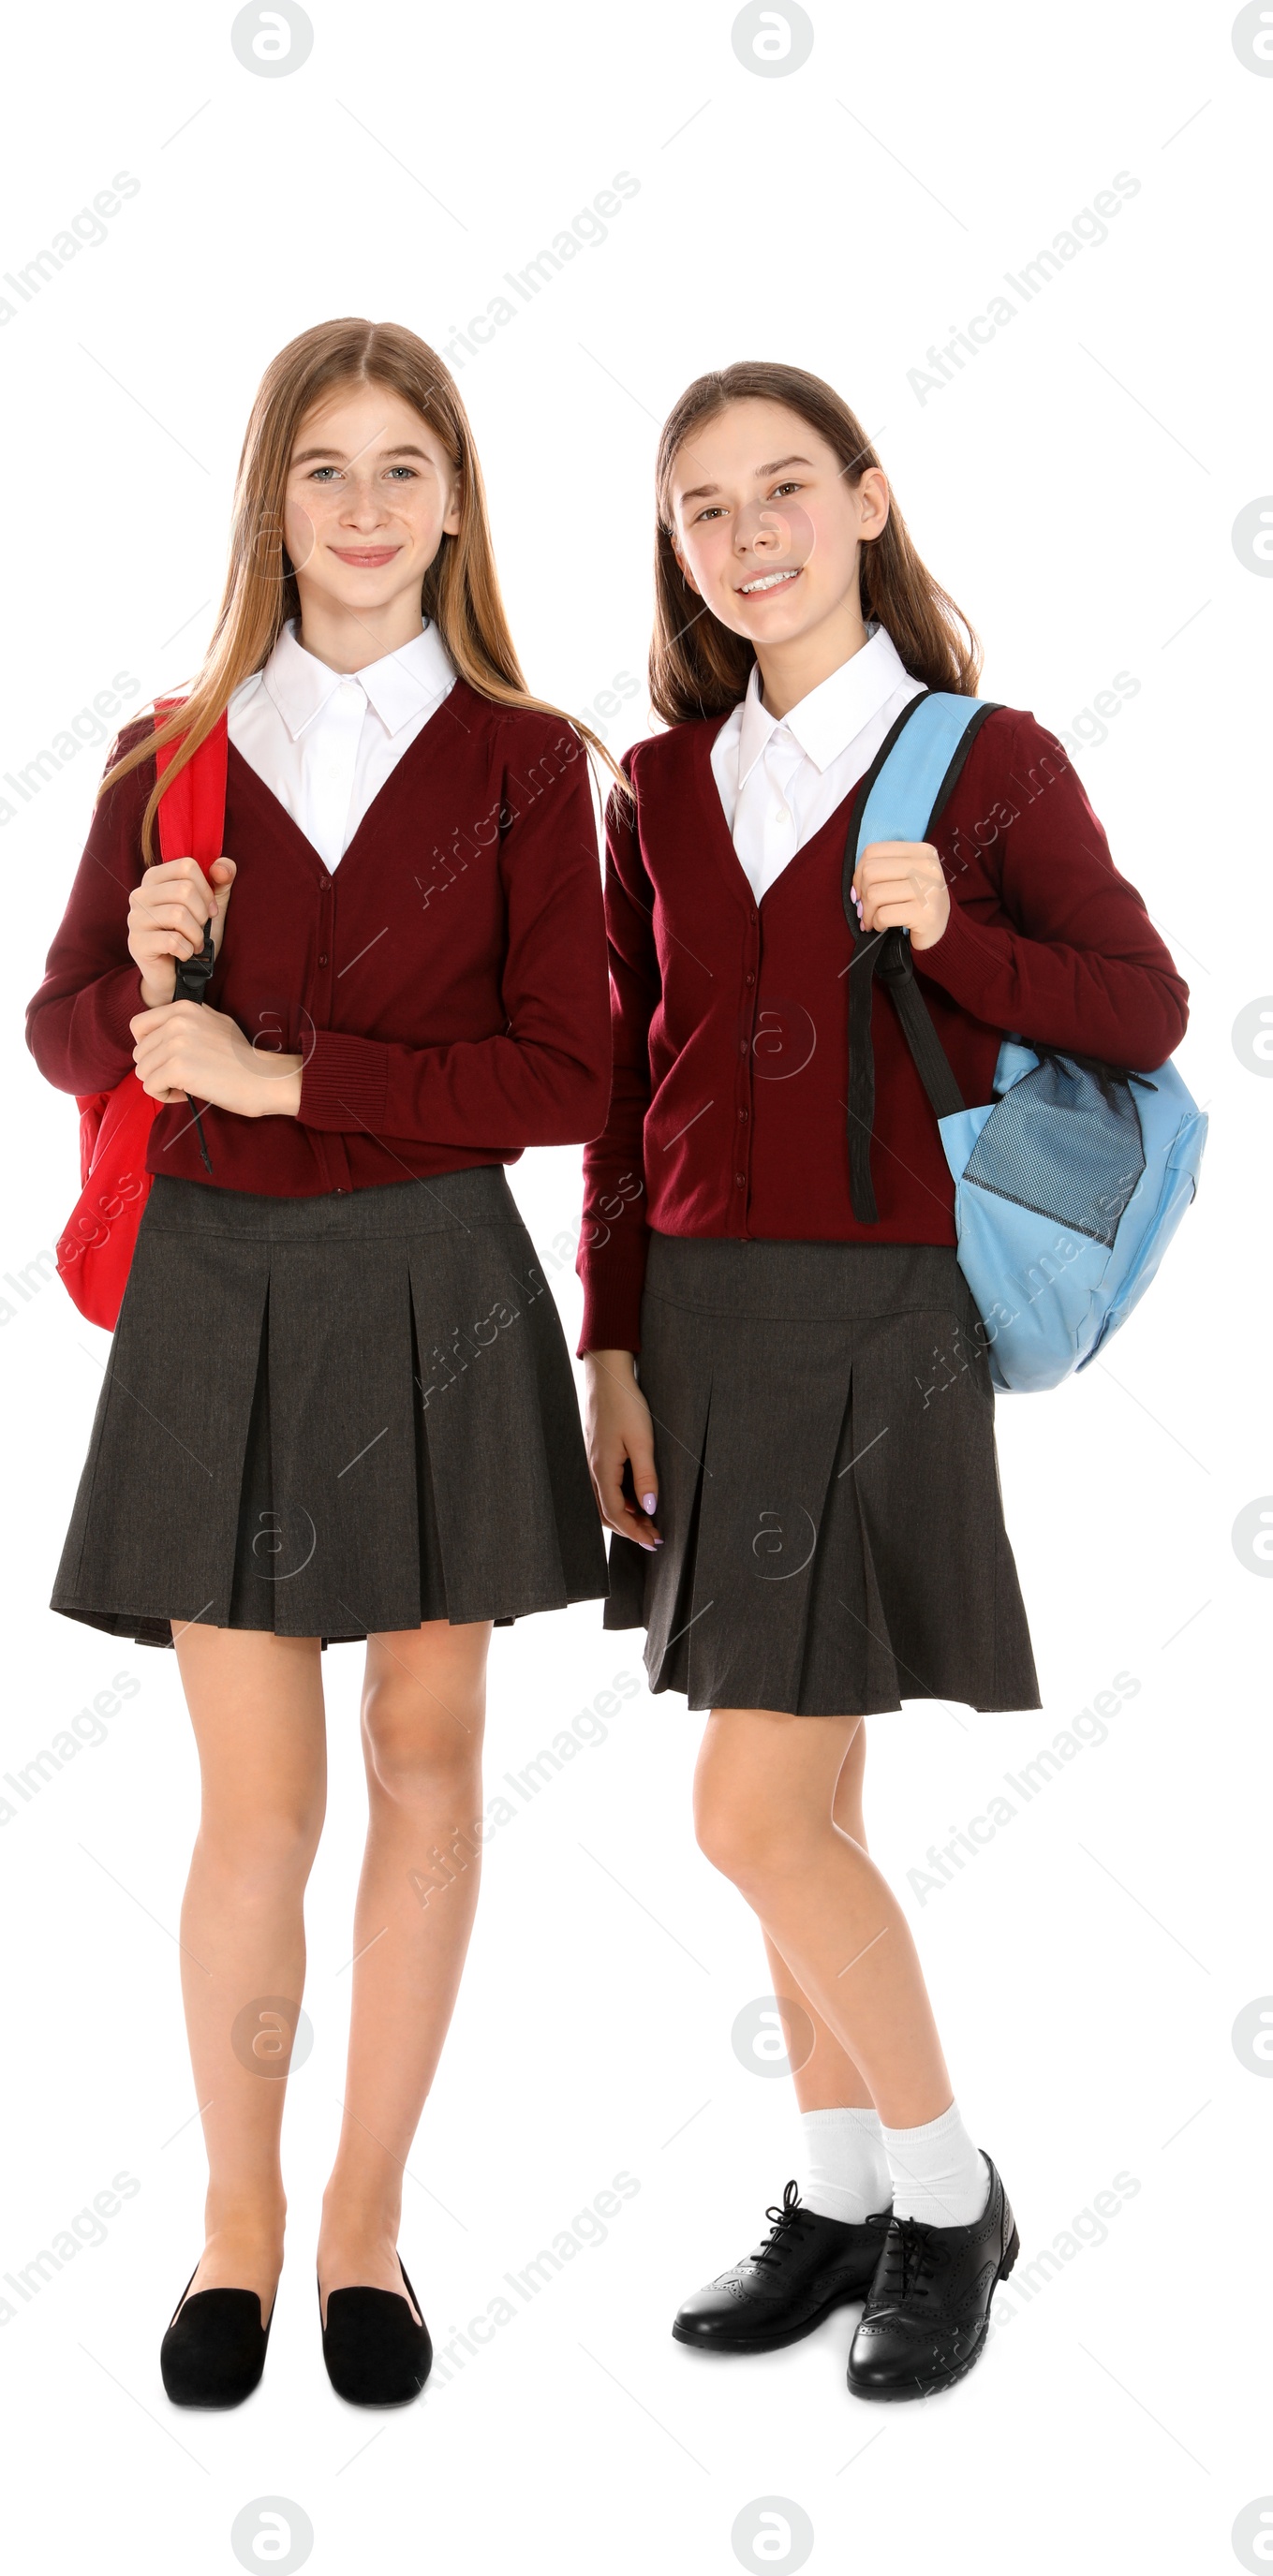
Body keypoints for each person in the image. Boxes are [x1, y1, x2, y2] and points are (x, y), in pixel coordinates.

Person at [577, 361, 1188, 2400]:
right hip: (701, 1328)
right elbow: (616, 1094)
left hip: (874, 1319)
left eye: (779, 491)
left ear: (861, 500)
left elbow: (1147, 1007)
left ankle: (947, 2197)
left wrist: (960, 941)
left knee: (745, 1809)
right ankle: (837, 2187)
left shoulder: (978, 760)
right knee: (806, 1789)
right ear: (674, 548)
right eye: (699, 509)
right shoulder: (657, 786)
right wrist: (604, 1338)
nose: (745, 535)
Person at [25, 318, 614, 2411]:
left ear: (454, 500)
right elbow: (65, 1035)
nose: (361, 509)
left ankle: (362, 2218)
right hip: (218, 1285)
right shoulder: (160, 749)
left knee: (430, 1756)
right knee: (253, 1799)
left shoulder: (538, 761)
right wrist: (146, 976)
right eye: (322, 470)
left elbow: (556, 1076)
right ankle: (236, 2219)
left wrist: (279, 1074)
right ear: (270, 500)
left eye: (399, 467)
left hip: (438, 1285)